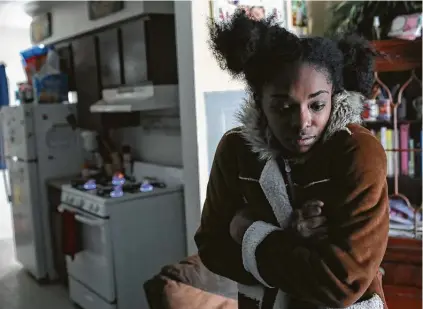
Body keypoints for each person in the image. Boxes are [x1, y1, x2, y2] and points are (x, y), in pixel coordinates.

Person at [195, 11, 389, 309]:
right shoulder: (235, 150)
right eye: (284, 106)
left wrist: (249, 231)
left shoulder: (359, 151)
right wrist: (296, 241)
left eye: (317, 105)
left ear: (335, 97)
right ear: (260, 100)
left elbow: (340, 283)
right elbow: (212, 248)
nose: (302, 122)